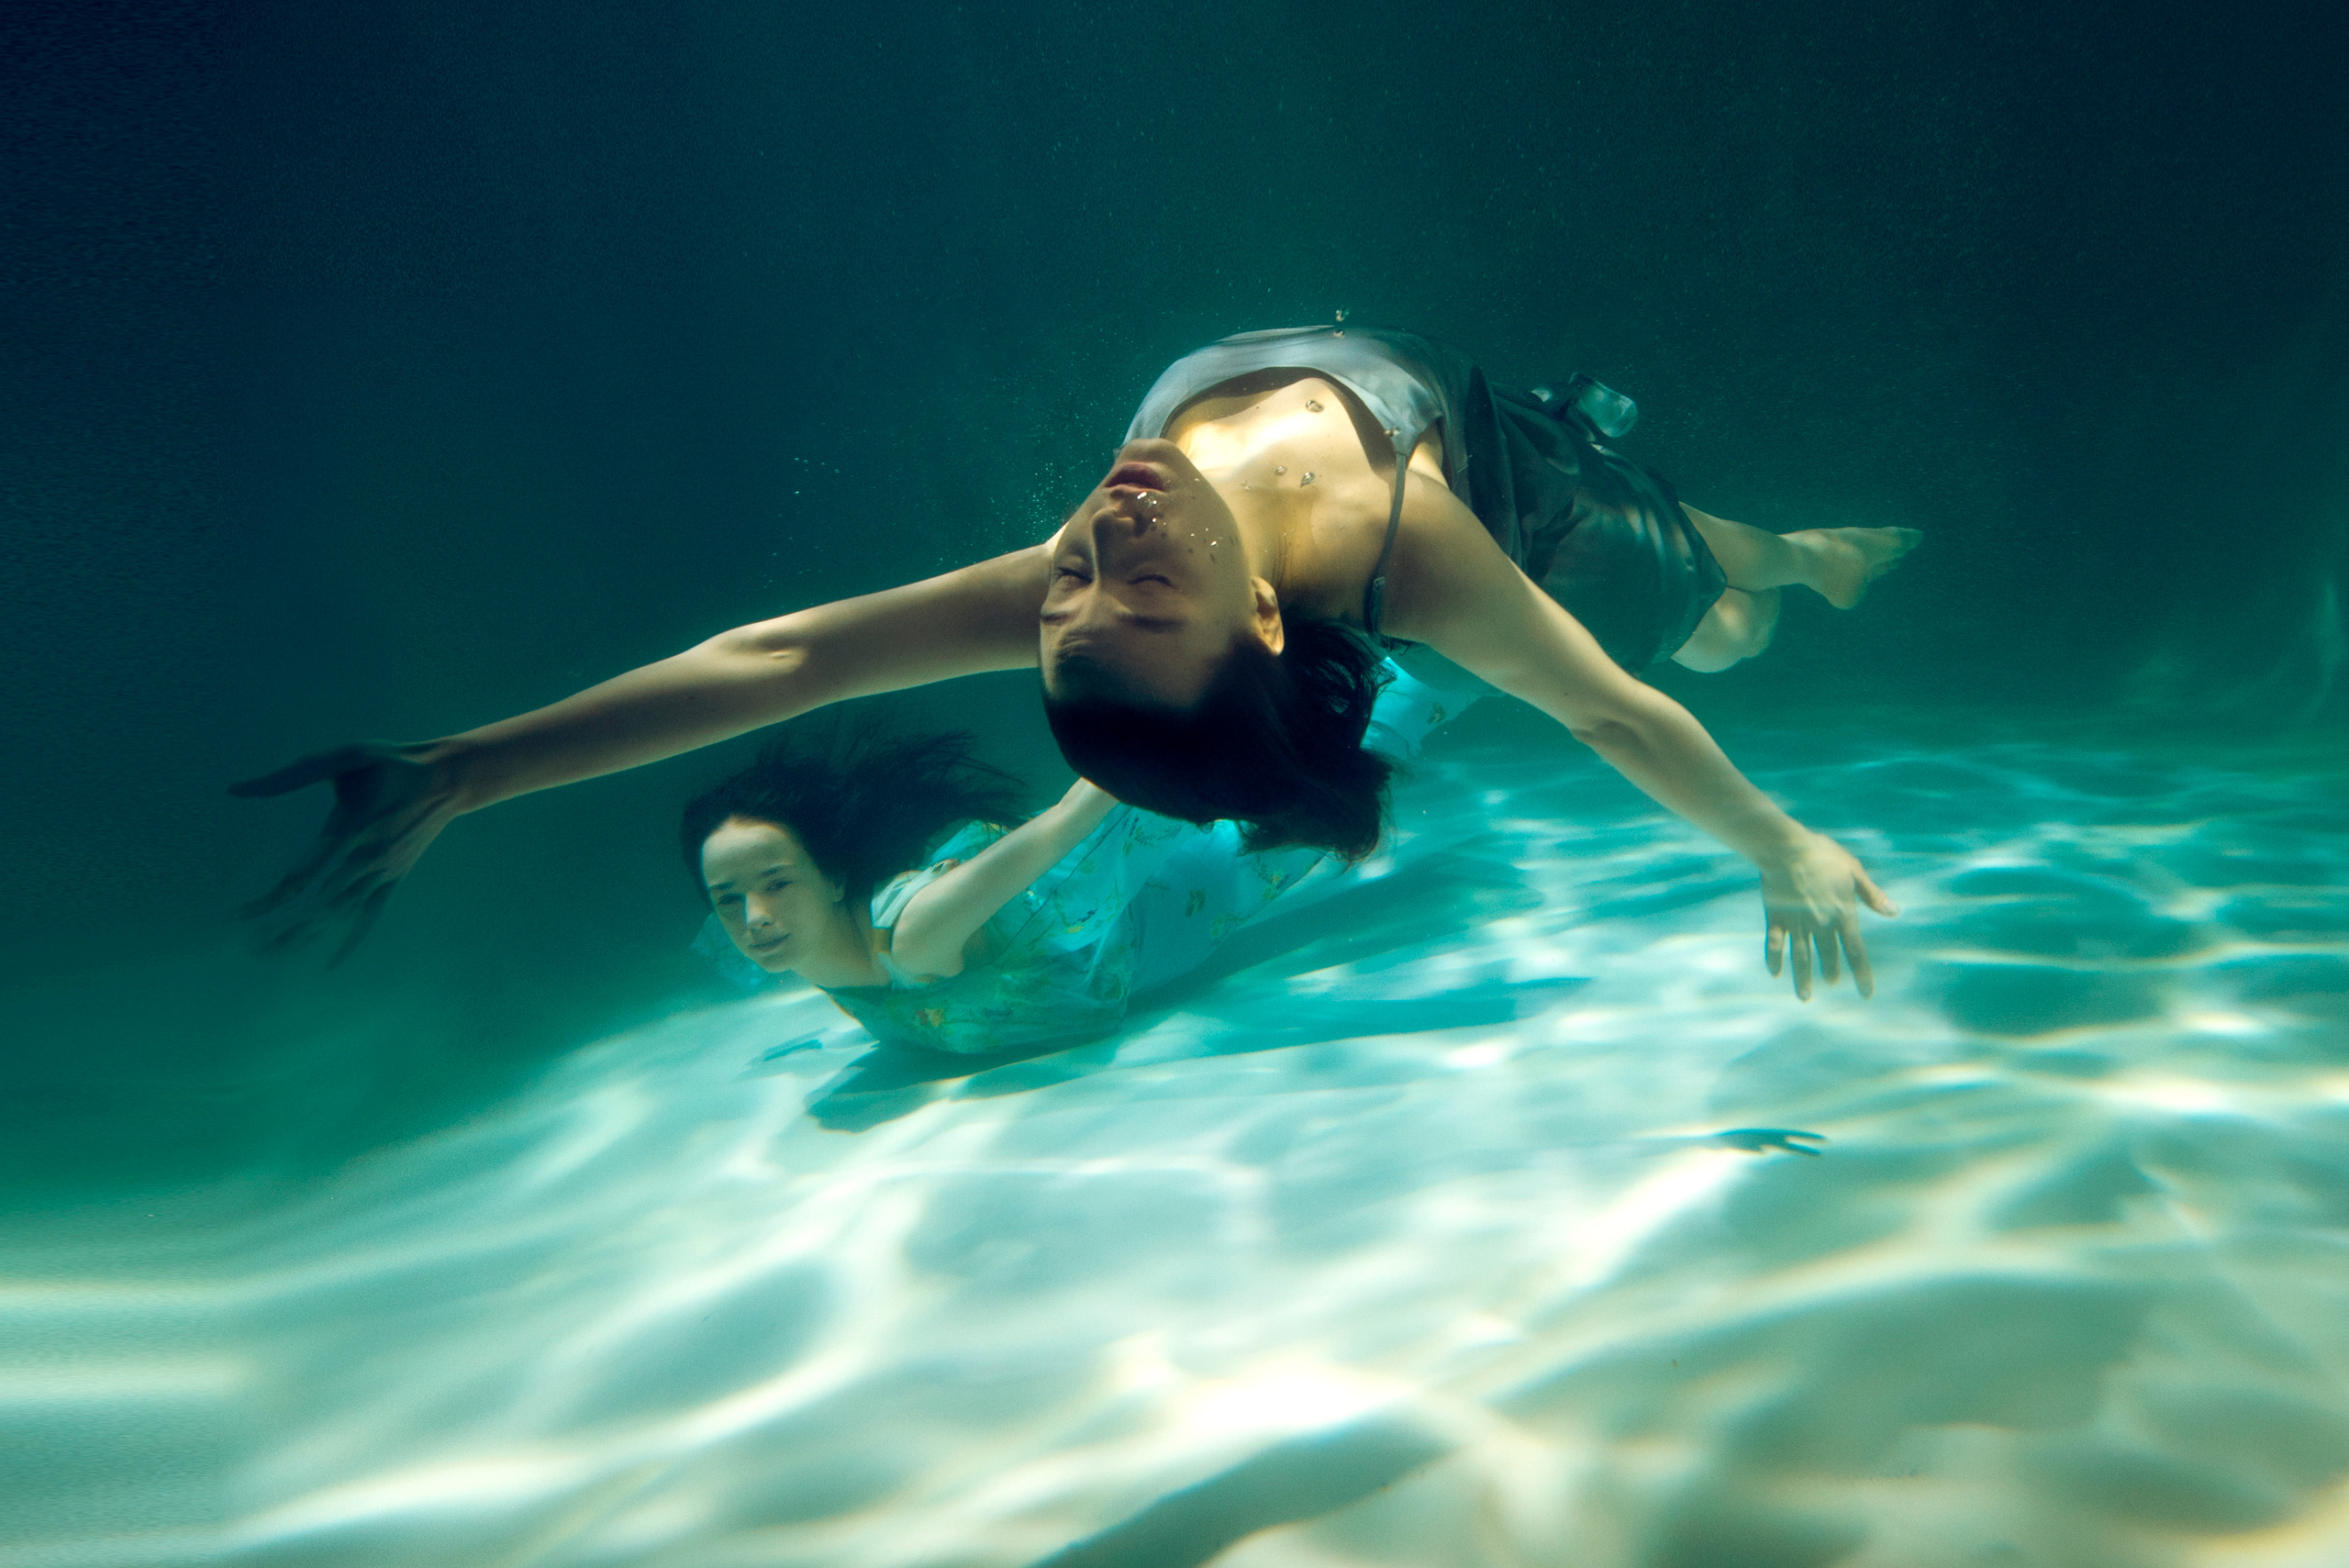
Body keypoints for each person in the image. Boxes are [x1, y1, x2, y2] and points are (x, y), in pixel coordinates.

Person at [236, 324, 1910, 998]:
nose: (1097, 545)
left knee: (1714, 568)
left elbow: (790, 656)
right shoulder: (1401, 555)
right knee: (1691, 579)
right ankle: (1792, 567)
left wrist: (467, 766)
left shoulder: (1095, 570)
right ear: (1257, 621)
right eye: (1130, 588)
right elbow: (1608, 710)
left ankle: (1780, 567)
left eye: (1073, 599)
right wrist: (1785, 842)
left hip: (1477, 444)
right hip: (1506, 483)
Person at [686, 664, 1463, 1055]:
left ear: (831, 876)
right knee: (1332, 763)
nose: (752, 919)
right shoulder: (775, 947)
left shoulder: (916, 931)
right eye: (727, 897)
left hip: (1144, 895)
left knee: (1341, 758)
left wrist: (1170, 713)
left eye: (776, 883)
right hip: (1134, 942)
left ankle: (1485, 618)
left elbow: (1062, 828)